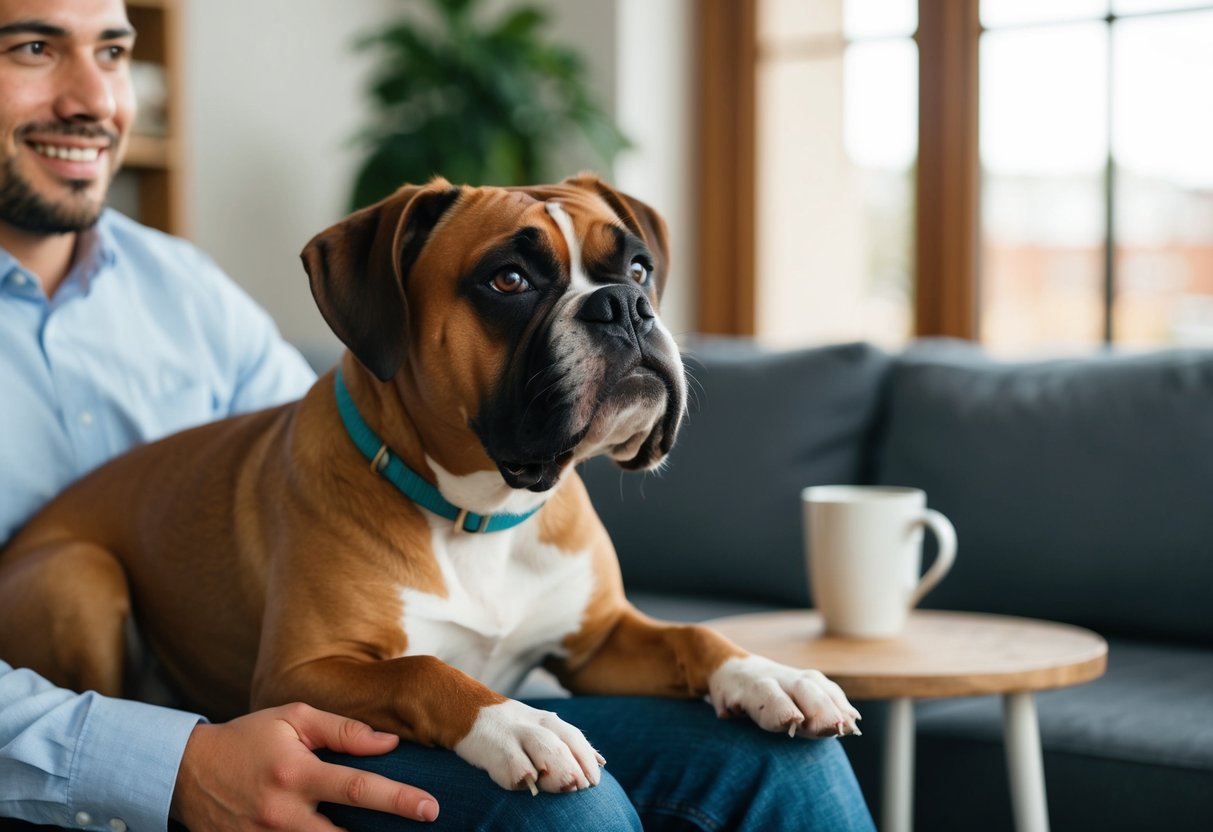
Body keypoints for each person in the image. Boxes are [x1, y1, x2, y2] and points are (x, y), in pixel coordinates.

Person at [0, 1, 877, 830]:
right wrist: (175, 761)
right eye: (33, 47)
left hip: (415, 672)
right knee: (561, 808)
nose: (90, 96)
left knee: (787, 762)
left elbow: (601, 636)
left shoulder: (184, 288)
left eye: (113, 50)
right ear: (387, 310)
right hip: (187, 716)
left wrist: (714, 661)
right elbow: (302, 617)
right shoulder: (346, 444)